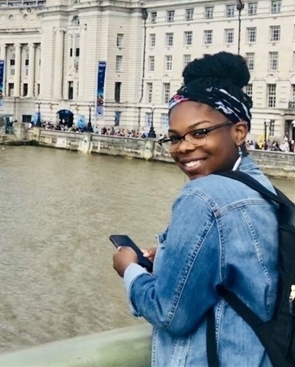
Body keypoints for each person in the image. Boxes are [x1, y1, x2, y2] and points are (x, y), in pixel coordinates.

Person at [113, 52, 278, 367]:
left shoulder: (203, 196)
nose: (184, 147)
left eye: (200, 132)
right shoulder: (264, 190)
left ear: (239, 131)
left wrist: (130, 271)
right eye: (174, 138)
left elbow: (170, 312)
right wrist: (169, 259)